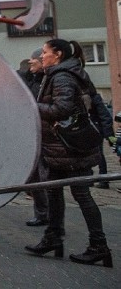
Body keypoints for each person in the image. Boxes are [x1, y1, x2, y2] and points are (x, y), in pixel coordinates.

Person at [25, 38, 112, 268]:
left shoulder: (62, 76)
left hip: (70, 148)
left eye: (45, 52)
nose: (42, 56)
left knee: (82, 194)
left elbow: (61, 109)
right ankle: (53, 238)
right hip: (61, 148)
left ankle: (99, 246)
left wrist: (31, 105)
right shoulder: (62, 73)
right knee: (54, 192)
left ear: (58, 54)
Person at [21, 49, 49, 227]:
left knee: (44, 178)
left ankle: (47, 215)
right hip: (31, 134)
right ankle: (42, 213)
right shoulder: (31, 79)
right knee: (32, 178)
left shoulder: (46, 80)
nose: (30, 63)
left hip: (45, 136)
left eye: (34, 60)